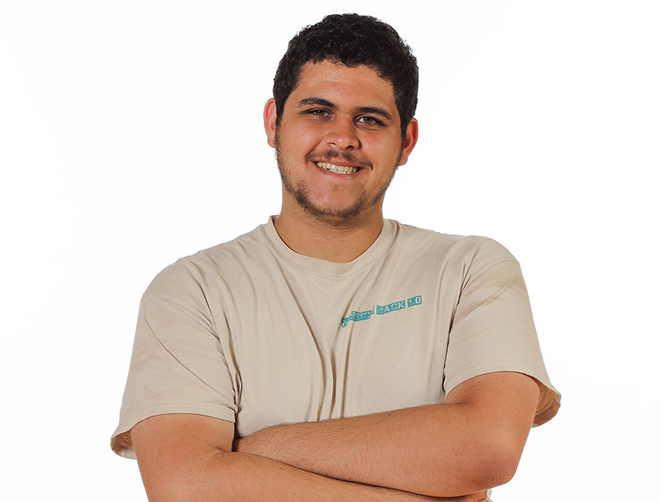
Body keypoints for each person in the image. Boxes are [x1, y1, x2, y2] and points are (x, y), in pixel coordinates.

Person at [111, 13, 561, 502]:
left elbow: (488, 449)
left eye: (369, 119)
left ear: (406, 141)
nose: (343, 137)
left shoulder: (471, 270)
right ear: (273, 122)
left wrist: (254, 451)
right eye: (318, 111)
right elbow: (185, 486)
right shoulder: (191, 291)